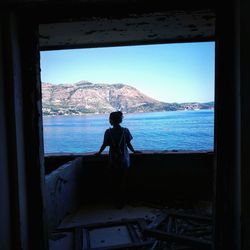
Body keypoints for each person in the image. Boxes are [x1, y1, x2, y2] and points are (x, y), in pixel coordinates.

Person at [95, 111, 141, 208]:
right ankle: (123, 201)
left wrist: (99, 153)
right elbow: (128, 144)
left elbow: (104, 145)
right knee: (123, 180)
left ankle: (116, 201)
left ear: (111, 121)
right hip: (124, 160)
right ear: (120, 120)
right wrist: (134, 151)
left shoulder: (108, 132)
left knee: (114, 181)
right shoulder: (125, 131)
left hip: (114, 160)